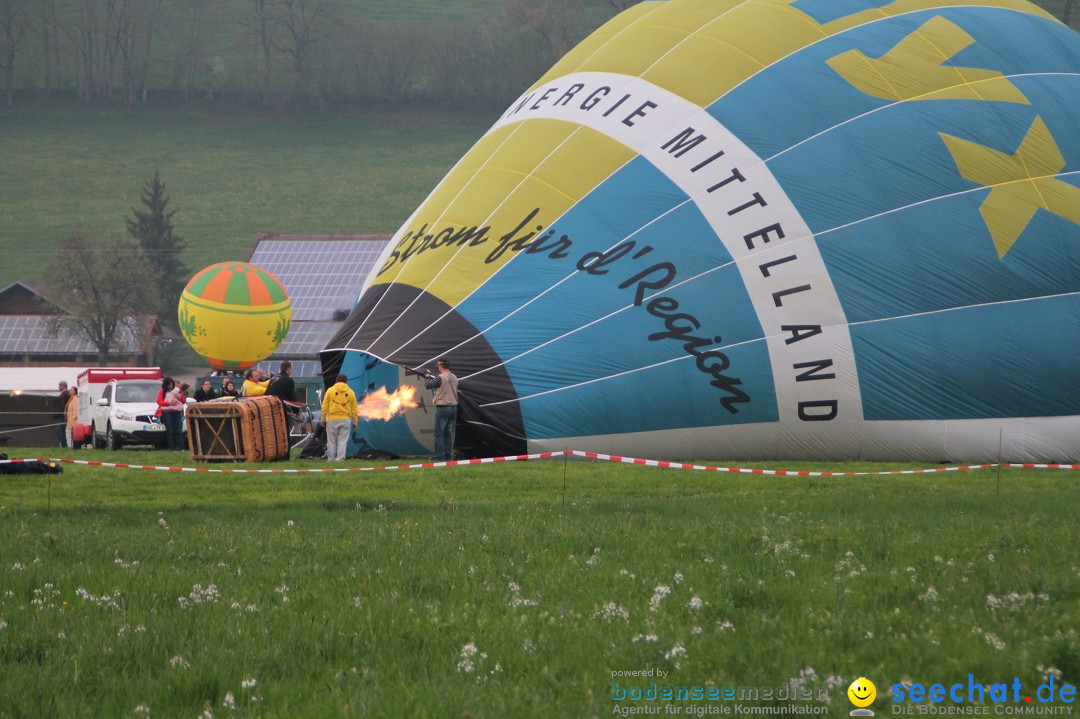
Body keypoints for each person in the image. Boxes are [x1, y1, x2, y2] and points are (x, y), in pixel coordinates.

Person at [320, 374, 357, 462]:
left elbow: (324, 406)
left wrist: (323, 419)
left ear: (336, 381)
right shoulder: (351, 392)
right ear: (346, 381)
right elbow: (354, 409)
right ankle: (340, 459)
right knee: (342, 441)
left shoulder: (330, 391)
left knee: (331, 441)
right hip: (346, 419)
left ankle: (331, 459)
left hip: (332, 419)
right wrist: (355, 422)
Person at [429, 358, 459, 461]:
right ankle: (448, 457)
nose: (438, 368)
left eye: (438, 366)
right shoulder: (455, 377)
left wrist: (427, 377)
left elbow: (428, 385)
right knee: (448, 434)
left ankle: (441, 459)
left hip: (443, 408)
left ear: (441, 366)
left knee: (439, 434)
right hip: (454, 408)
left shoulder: (440, 377)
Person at [266, 360, 299, 435]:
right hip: (282, 408)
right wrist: (297, 413)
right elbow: (292, 397)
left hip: (270, 407)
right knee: (285, 432)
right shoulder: (288, 380)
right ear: (288, 369)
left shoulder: (274, 378)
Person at [156, 377, 185, 451]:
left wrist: (179, 396)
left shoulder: (177, 391)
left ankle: (181, 447)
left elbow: (183, 401)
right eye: (169, 385)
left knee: (178, 430)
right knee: (170, 431)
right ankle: (172, 447)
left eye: (172, 384)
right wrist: (168, 403)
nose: (171, 386)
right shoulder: (162, 392)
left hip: (177, 412)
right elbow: (159, 401)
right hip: (167, 412)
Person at [55, 381, 70, 447]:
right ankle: (63, 445)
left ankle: (63, 445)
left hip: (62, 416)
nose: (59, 387)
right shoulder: (64, 394)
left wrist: (59, 413)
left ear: (64, 386)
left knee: (61, 431)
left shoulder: (65, 394)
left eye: (60, 385)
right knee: (59, 430)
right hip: (61, 416)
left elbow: (63, 405)